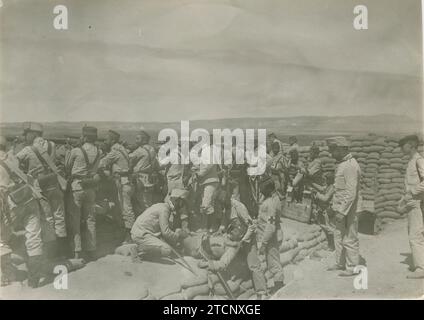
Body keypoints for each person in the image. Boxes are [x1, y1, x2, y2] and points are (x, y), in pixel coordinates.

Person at [15, 122, 67, 255]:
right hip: (54, 183)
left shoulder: (26, 150)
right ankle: (62, 249)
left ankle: (50, 252)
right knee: (59, 216)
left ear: (33, 134)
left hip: (40, 185)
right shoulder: (52, 145)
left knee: (47, 218)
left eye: (26, 134)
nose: (25, 137)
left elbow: (14, 164)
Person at [0, 136, 44, 288]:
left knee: (1, 240)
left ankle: (5, 276)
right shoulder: (13, 158)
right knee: (34, 238)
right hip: (28, 197)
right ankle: (34, 281)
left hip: (9, 203)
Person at [215, 189, 269, 298]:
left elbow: (251, 226)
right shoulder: (227, 208)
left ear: (227, 199)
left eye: (223, 203)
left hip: (248, 239)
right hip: (237, 238)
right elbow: (225, 221)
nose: (222, 206)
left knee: (253, 265)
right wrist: (221, 229)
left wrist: (244, 240)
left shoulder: (239, 207)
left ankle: (262, 292)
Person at [326, 136, 362, 276]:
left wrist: (342, 211)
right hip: (340, 207)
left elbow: (351, 192)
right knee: (338, 236)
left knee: (350, 237)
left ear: (341, 149)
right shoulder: (342, 164)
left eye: (333, 150)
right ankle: (340, 263)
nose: (331, 153)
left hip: (349, 209)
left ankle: (352, 267)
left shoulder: (351, 165)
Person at [65, 126, 102, 260]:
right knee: (90, 219)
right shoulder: (99, 151)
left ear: (84, 137)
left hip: (78, 186)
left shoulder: (76, 150)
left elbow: (67, 167)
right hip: (90, 186)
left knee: (75, 219)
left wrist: (70, 150)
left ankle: (77, 251)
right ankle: (92, 250)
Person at [130, 188, 189, 258]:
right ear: (177, 201)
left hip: (141, 232)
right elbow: (166, 232)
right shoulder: (165, 210)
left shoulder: (163, 206)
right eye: (182, 203)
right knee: (167, 250)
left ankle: (141, 247)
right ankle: (138, 249)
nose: (182, 206)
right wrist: (178, 236)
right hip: (142, 234)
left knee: (165, 247)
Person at [99, 130, 135, 243]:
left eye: (106, 139)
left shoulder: (114, 151)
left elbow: (101, 163)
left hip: (123, 183)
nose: (105, 141)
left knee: (126, 209)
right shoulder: (121, 148)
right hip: (127, 182)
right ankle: (125, 233)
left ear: (112, 140)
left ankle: (130, 236)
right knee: (124, 209)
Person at [398, 135, 424, 279]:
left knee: (415, 236)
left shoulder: (419, 161)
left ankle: (421, 268)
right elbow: (410, 185)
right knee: (415, 233)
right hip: (412, 201)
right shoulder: (411, 161)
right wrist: (403, 198)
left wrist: (413, 193)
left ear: (411, 145)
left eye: (403, 145)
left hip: (417, 203)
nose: (402, 148)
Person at [256, 178, 285, 291]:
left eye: (263, 189)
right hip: (269, 235)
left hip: (271, 236)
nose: (261, 191)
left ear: (268, 189)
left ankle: (278, 287)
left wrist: (264, 243)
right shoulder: (272, 198)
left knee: (273, 263)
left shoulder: (273, 202)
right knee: (271, 262)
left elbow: (271, 225)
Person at [129, 130, 158, 214]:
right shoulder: (152, 149)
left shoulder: (140, 150)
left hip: (140, 178)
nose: (136, 141)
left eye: (138, 139)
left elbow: (128, 158)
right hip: (149, 178)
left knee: (142, 202)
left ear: (144, 140)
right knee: (148, 202)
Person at [311, 172, 336, 249]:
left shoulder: (332, 187)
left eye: (326, 179)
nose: (324, 181)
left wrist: (317, 194)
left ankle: (332, 246)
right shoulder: (328, 186)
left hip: (330, 209)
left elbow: (325, 198)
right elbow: (322, 188)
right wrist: (312, 184)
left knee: (330, 228)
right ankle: (330, 244)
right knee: (326, 227)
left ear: (329, 180)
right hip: (327, 209)